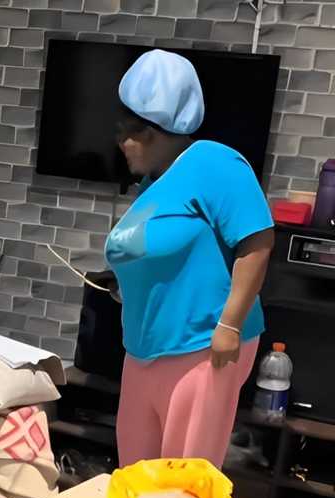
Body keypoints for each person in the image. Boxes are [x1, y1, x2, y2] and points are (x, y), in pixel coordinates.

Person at [106, 50, 274, 468]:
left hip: (202, 346)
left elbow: (257, 240)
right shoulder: (153, 184)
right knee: (136, 472)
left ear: (157, 131)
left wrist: (230, 325)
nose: (120, 143)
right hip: (145, 349)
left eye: (127, 130)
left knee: (184, 477)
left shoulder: (214, 163)